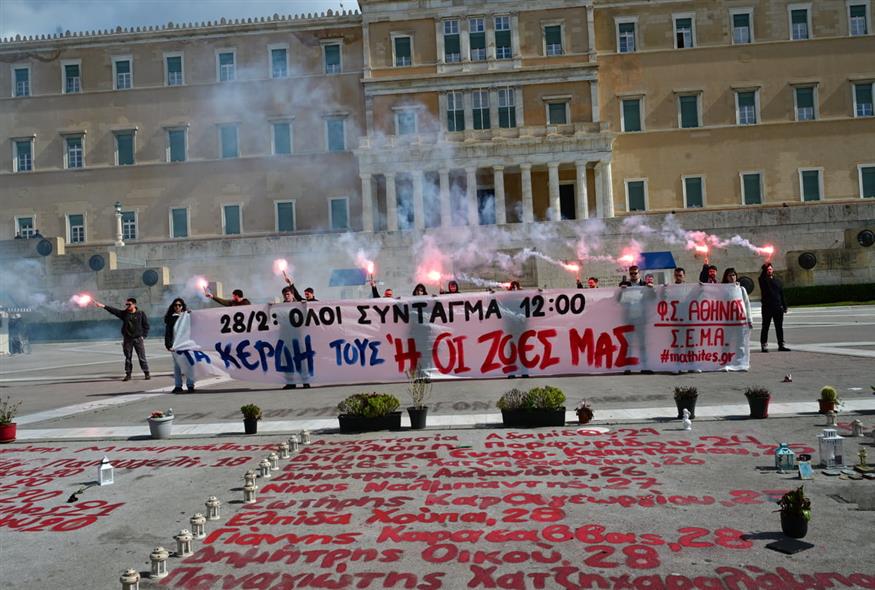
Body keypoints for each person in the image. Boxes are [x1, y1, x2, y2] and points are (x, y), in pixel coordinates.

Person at [94, 297, 150, 381]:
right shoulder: (124, 314)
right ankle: (128, 374)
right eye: (126, 304)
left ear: (134, 304)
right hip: (127, 339)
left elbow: (146, 326)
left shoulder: (141, 314)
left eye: (129, 304)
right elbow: (114, 311)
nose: (127, 306)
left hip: (138, 339)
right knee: (128, 358)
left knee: (142, 357)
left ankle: (146, 373)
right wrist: (103, 306)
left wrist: (143, 336)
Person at [164, 298, 194, 393]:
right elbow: (168, 333)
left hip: (187, 344)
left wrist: (192, 313)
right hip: (176, 345)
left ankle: (190, 385)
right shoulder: (171, 318)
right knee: (177, 366)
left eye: (179, 305)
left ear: (182, 307)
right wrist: (168, 345)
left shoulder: (187, 316)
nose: (177, 307)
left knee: (189, 365)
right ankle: (178, 386)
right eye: (175, 305)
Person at [758, 262, 790, 353]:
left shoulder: (778, 280)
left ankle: (781, 345)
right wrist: (765, 267)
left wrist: (784, 306)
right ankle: (764, 345)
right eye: (768, 269)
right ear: (765, 271)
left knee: (779, 327)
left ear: (773, 270)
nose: (769, 271)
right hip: (767, 308)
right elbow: (762, 278)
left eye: (770, 269)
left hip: (778, 307)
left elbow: (781, 294)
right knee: (765, 327)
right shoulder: (763, 280)